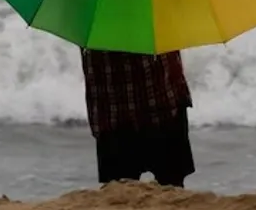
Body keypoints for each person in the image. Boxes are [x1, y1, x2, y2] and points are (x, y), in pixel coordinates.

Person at [80, 48, 195, 187]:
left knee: (118, 191)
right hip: (159, 104)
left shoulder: (92, 29)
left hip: (116, 112)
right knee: (171, 184)